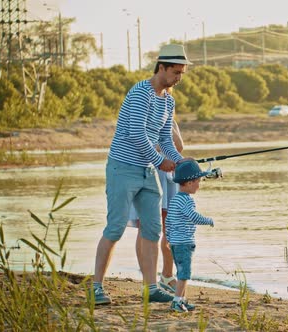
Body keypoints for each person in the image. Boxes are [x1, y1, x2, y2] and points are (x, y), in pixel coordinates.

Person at [90, 43, 191, 305]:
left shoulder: (168, 100)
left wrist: (180, 162)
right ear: (162, 67)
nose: (179, 78)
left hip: (147, 172)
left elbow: (164, 138)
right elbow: (137, 135)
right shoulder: (140, 93)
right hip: (122, 169)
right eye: (176, 72)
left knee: (153, 229)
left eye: (182, 73)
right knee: (115, 228)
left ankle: (151, 288)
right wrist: (161, 161)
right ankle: (96, 287)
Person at [130, 119, 183, 293]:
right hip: (148, 173)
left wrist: (169, 123)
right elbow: (142, 147)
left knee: (170, 227)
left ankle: (167, 276)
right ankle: (148, 279)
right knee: (145, 227)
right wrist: (159, 149)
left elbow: (179, 147)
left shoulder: (170, 119)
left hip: (169, 176)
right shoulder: (141, 119)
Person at [165, 159, 215, 312]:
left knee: (181, 271)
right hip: (184, 243)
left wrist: (168, 237)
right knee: (184, 273)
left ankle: (183, 300)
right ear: (188, 183)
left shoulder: (174, 200)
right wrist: (208, 220)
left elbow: (168, 221)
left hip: (175, 242)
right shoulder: (186, 200)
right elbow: (192, 216)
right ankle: (177, 301)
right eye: (197, 181)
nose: (199, 185)